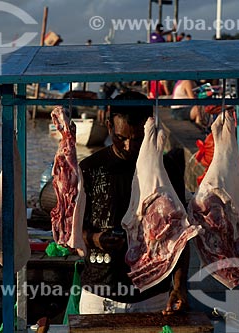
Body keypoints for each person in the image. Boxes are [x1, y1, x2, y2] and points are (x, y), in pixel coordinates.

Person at [78, 91, 190, 315]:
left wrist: (179, 286)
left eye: (137, 139)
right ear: (109, 126)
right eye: (121, 138)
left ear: (149, 127)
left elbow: (180, 233)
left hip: (153, 296)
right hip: (99, 296)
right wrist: (95, 239)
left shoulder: (167, 169)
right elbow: (71, 231)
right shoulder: (90, 168)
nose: (129, 146)